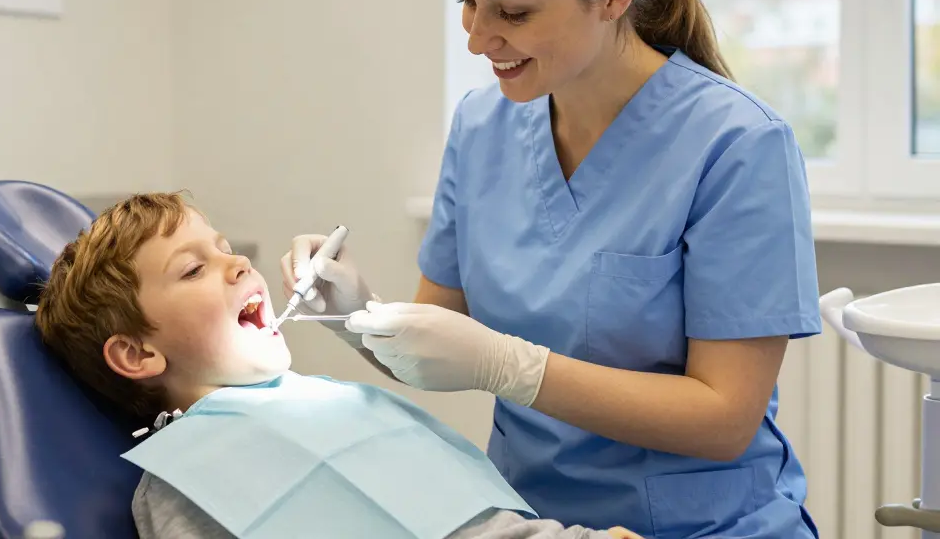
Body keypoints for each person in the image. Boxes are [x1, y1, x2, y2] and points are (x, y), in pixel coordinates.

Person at [281, 0, 821, 539]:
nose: (478, 38)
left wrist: (514, 367)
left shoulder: (737, 145)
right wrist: (350, 314)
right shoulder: (482, 129)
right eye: (468, 2)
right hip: (531, 524)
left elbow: (724, 419)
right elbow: (431, 346)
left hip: (703, 527)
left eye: (513, 11)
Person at [35, 192, 642, 539]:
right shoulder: (186, 482)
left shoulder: (314, 401)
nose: (238, 264)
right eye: (193, 269)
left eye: (225, 248)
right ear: (138, 353)